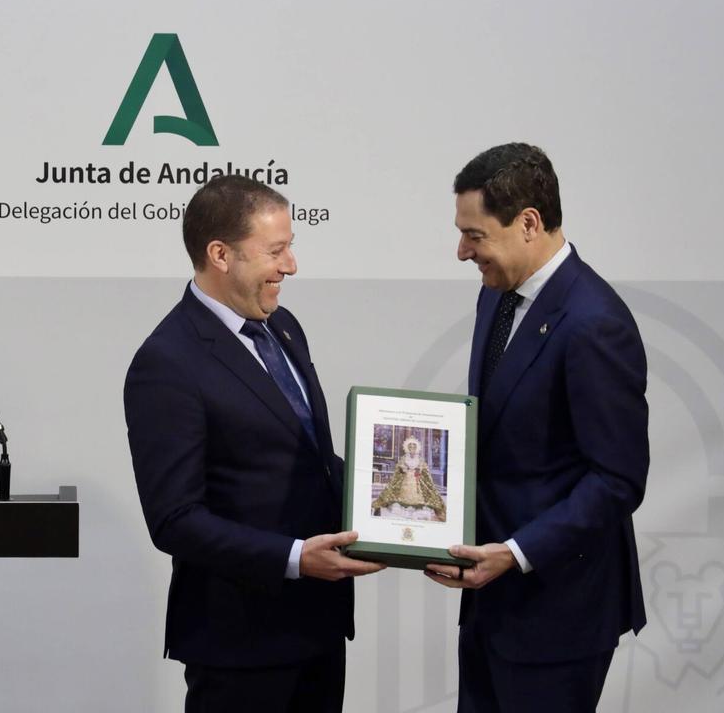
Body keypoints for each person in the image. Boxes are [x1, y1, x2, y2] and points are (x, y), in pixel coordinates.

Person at [124, 174, 383, 713]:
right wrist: (294, 559)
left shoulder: (283, 325)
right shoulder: (167, 363)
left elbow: (307, 455)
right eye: (276, 250)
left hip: (318, 629)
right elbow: (174, 519)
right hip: (239, 646)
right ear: (220, 254)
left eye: (291, 247)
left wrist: (394, 496)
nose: (291, 265)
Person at [425, 143, 648, 712]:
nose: (461, 251)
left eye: (474, 235)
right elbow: (499, 429)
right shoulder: (496, 296)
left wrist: (516, 552)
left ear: (528, 223)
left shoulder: (595, 323)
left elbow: (618, 479)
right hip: (490, 602)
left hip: (558, 615)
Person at [372, 437, 445, 521]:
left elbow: (423, 467)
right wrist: (404, 468)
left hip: (416, 479)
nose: (412, 449)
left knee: (418, 493)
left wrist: (419, 469)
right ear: (407, 449)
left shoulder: (420, 459)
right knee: (403, 494)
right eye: (410, 447)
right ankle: (402, 505)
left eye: (414, 447)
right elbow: (399, 467)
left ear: (417, 449)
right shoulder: (404, 458)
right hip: (406, 479)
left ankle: (418, 506)